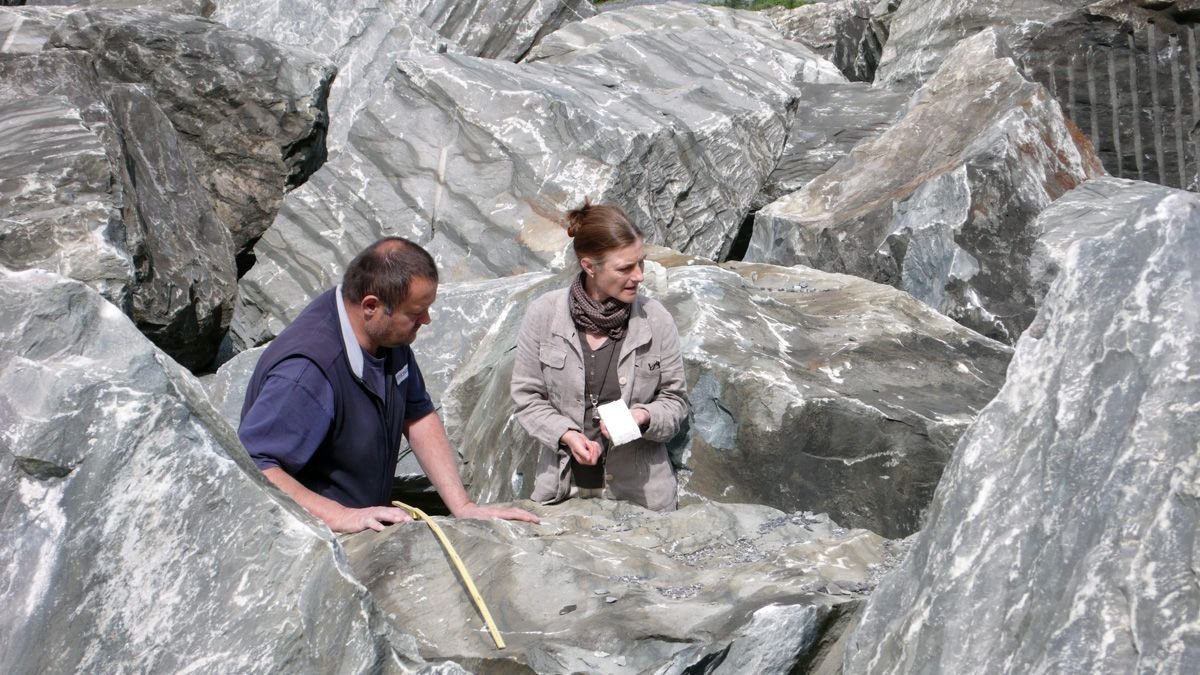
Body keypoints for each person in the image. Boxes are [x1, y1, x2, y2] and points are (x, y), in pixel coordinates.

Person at [239, 237, 539, 533]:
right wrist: (340, 516)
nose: (427, 320)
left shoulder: (384, 335)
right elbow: (253, 466)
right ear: (372, 305)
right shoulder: (308, 373)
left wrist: (463, 506)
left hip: (363, 524)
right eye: (415, 312)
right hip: (311, 541)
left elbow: (418, 414)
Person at [511, 201, 689, 511]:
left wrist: (643, 417)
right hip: (563, 490)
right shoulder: (543, 314)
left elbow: (676, 402)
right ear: (589, 266)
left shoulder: (656, 319)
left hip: (642, 498)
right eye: (625, 268)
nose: (639, 276)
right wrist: (565, 434)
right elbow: (527, 397)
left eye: (641, 263)